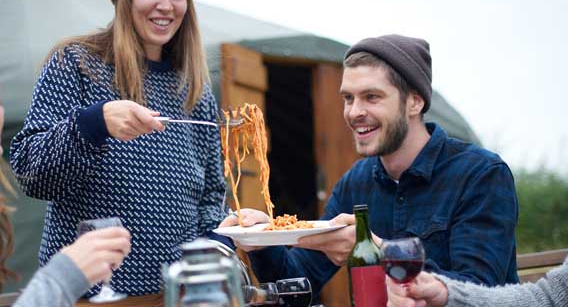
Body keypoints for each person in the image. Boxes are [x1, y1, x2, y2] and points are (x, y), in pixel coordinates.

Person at [220, 34, 519, 299]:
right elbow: (299, 284)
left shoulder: (480, 174)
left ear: (414, 102)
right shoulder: (356, 183)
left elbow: (479, 293)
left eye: (371, 97)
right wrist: (262, 241)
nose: (354, 112)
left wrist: (379, 251)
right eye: (348, 98)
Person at [9, 0, 226, 296]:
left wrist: (219, 240)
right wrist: (94, 124)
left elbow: (212, 195)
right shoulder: (75, 64)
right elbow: (30, 172)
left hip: (172, 297)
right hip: (87, 296)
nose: (166, 6)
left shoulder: (195, 91)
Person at [0, 45, 131, 307]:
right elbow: (31, 168)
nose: (1, 112)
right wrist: (67, 272)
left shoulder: (194, 85)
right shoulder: (70, 63)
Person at [386, 256, 568, 307]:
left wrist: (385, 250)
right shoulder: (361, 176)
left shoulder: (485, 170)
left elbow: (483, 278)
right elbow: (547, 298)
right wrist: (447, 294)